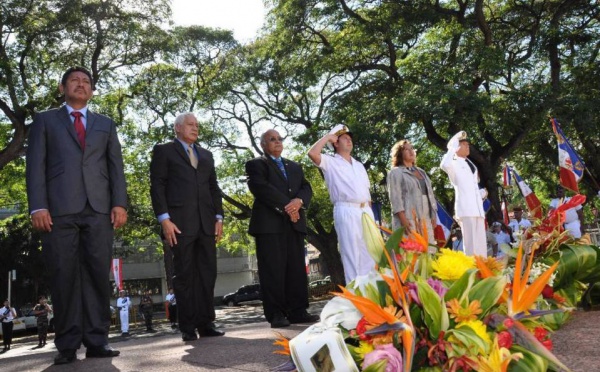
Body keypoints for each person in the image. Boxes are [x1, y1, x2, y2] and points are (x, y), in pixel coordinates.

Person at [26, 66, 127, 364]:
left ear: (92, 91)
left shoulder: (105, 124)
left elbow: (115, 167)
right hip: (57, 211)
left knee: (97, 275)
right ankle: (67, 345)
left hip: (98, 210)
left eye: (86, 82)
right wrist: (38, 206)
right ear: (62, 88)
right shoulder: (45, 121)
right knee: (64, 276)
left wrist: (119, 203)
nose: (81, 85)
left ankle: (97, 340)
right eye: (74, 81)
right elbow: (36, 167)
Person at [150, 112, 225, 341]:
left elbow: (214, 188)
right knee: (184, 276)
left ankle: (206, 323)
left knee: (206, 274)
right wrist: (164, 219)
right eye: (190, 124)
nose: (195, 128)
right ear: (178, 128)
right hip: (179, 224)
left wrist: (219, 217)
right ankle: (187, 326)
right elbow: (157, 185)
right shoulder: (164, 151)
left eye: (197, 125)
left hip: (206, 224)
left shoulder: (206, 155)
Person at [246, 129, 318, 328]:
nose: (277, 142)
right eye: (272, 139)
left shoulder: (294, 166)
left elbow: (306, 188)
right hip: (269, 226)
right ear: (263, 145)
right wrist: (289, 207)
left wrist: (299, 202)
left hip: (294, 225)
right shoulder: (256, 164)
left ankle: (298, 311)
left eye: (279, 139)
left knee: (295, 269)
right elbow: (261, 188)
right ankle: (276, 313)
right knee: (273, 271)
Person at [307, 124, 375, 283]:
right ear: (335, 143)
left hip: (365, 210)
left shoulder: (359, 165)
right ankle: (356, 298)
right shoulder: (330, 162)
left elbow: (367, 193)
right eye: (344, 138)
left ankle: (372, 297)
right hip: (346, 209)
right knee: (351, 254)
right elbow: (312, 153)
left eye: (350, 138)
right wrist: (327, 138)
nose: (349, 140)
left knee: (370, 253)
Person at [440, 131, 487, 257]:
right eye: (464, 144)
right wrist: (451, 149)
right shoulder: (453, 163)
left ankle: (484, 270)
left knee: (481, 244)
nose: (468, 147)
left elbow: (470, 187)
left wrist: (482, 193)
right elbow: (444, 164)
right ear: (457, 147)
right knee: (471, 246)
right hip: (466, 209)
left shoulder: (470, 164)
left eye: (468, 144)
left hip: (477, 209)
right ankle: (473, 272)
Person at [387, 139, 438, 245]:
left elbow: (430, 195)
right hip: (409, 217)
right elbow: (395, 199)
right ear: (400, 154)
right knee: (412, 252)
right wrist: (404, 221)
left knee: (430, 249)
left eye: (412, 148)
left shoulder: (422, 172)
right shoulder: (396, 172)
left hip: (426, 218)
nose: (411, 151)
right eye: (406, 149)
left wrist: (433, 215)